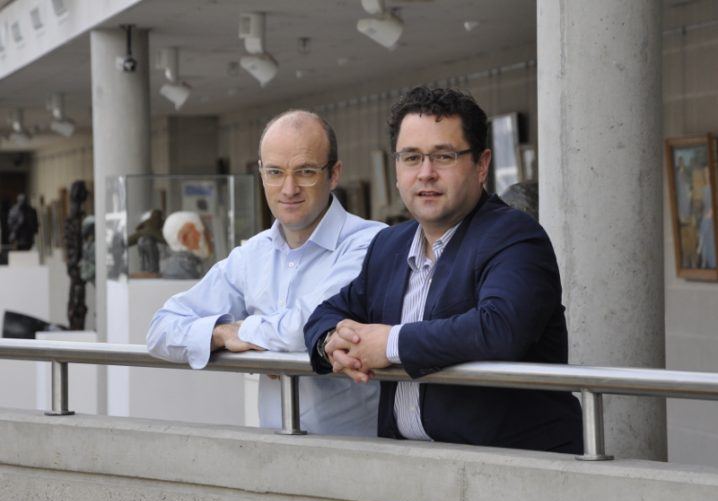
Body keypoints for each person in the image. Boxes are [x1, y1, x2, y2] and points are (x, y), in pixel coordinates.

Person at [304, 87, 583, 453]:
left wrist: (388, 344)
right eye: (411, 158)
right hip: (410, 466)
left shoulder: (514, 236)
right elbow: (325, 314)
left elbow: (499, 329)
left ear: (481, 165)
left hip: (513, 466)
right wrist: (332, 345)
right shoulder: (389, 246)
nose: (426, 173)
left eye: (444, 157)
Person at [147, 110, 385, 436]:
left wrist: (243, 330)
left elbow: (308, 326)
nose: (289, 188)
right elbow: (161, 330)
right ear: (261, 174)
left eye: (305, 171)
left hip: (357, 458)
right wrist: (219, 335)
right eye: (275, 172)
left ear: (334, 174)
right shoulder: (252, 255)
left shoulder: (371, 244)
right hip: (272, 453)